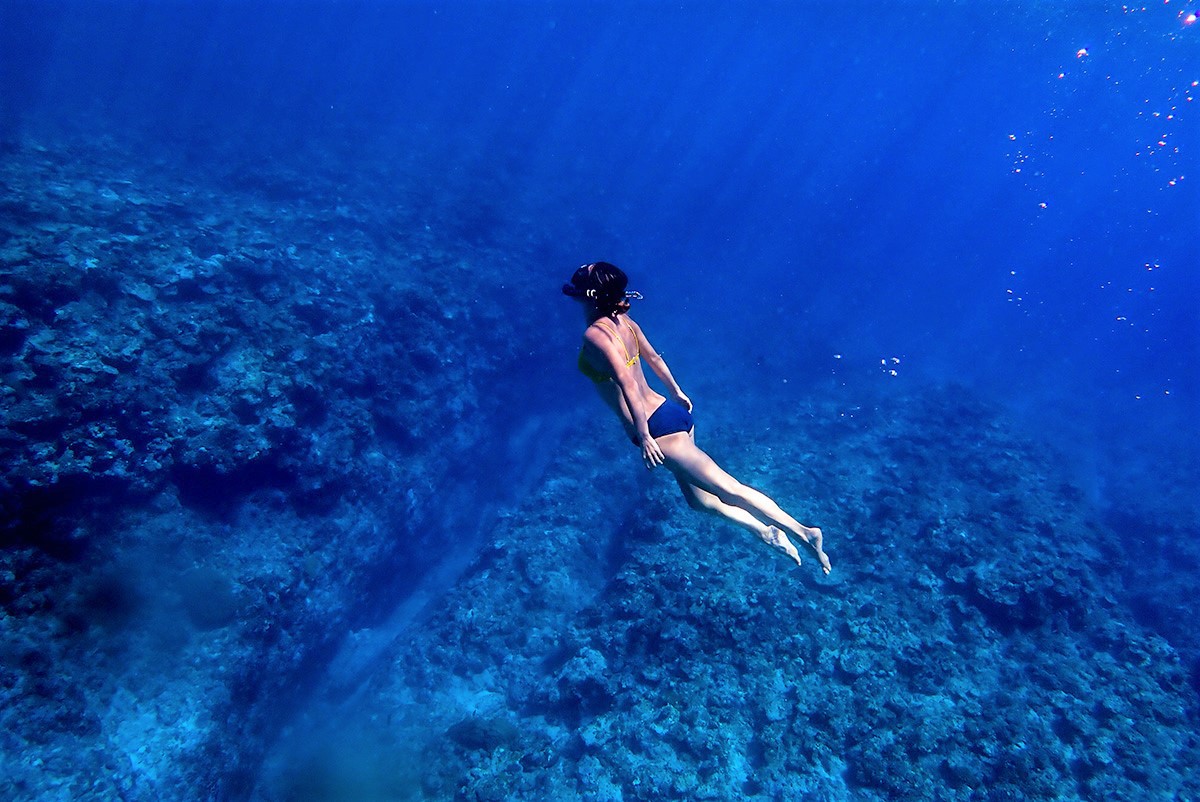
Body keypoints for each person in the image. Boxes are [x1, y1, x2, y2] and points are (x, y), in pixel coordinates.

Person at [563, 262, 831, 573]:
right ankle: (765, 531)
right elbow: (652, 358)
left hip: (658, 430)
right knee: (700, 501)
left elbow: (626, 383)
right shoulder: (624, 322)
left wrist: (645, 436)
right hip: (670, 414)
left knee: (730, 489)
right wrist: (676, 392)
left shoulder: (595, 335)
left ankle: (805, 533)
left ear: (589, 296)